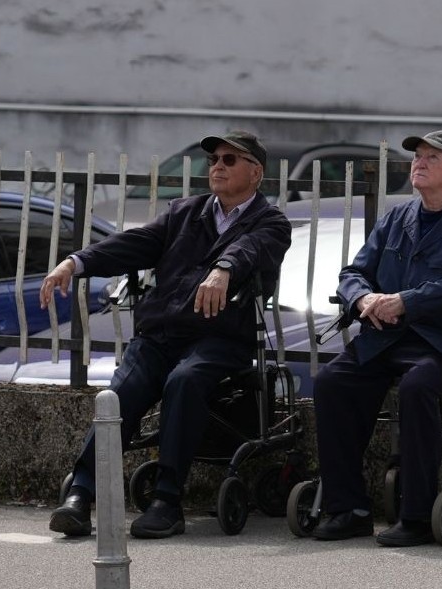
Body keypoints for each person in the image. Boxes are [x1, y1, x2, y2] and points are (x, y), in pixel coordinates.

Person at [39, 130, 291, 539]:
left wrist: (223, 268)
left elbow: (252, 249)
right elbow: (133, 244)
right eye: (214, 160)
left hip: (221, 340)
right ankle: (81, 494)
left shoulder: (272, 222)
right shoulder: (184, 212)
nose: (218, 167)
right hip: (161, 334)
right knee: (120, 394)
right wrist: (76, 262)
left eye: (229, 160)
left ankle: (167, 501)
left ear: (256, 172)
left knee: (185, 381)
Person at [310, 130, 442, 547]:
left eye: (434, 156)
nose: (421, 162)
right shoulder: (397, 217)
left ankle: (416, 515)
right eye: (418, 155)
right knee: (332, 382)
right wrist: (362, 298)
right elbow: (352, 273)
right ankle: (348, 508)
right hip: (386, 338)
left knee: (417, 387)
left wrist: (407, 301)